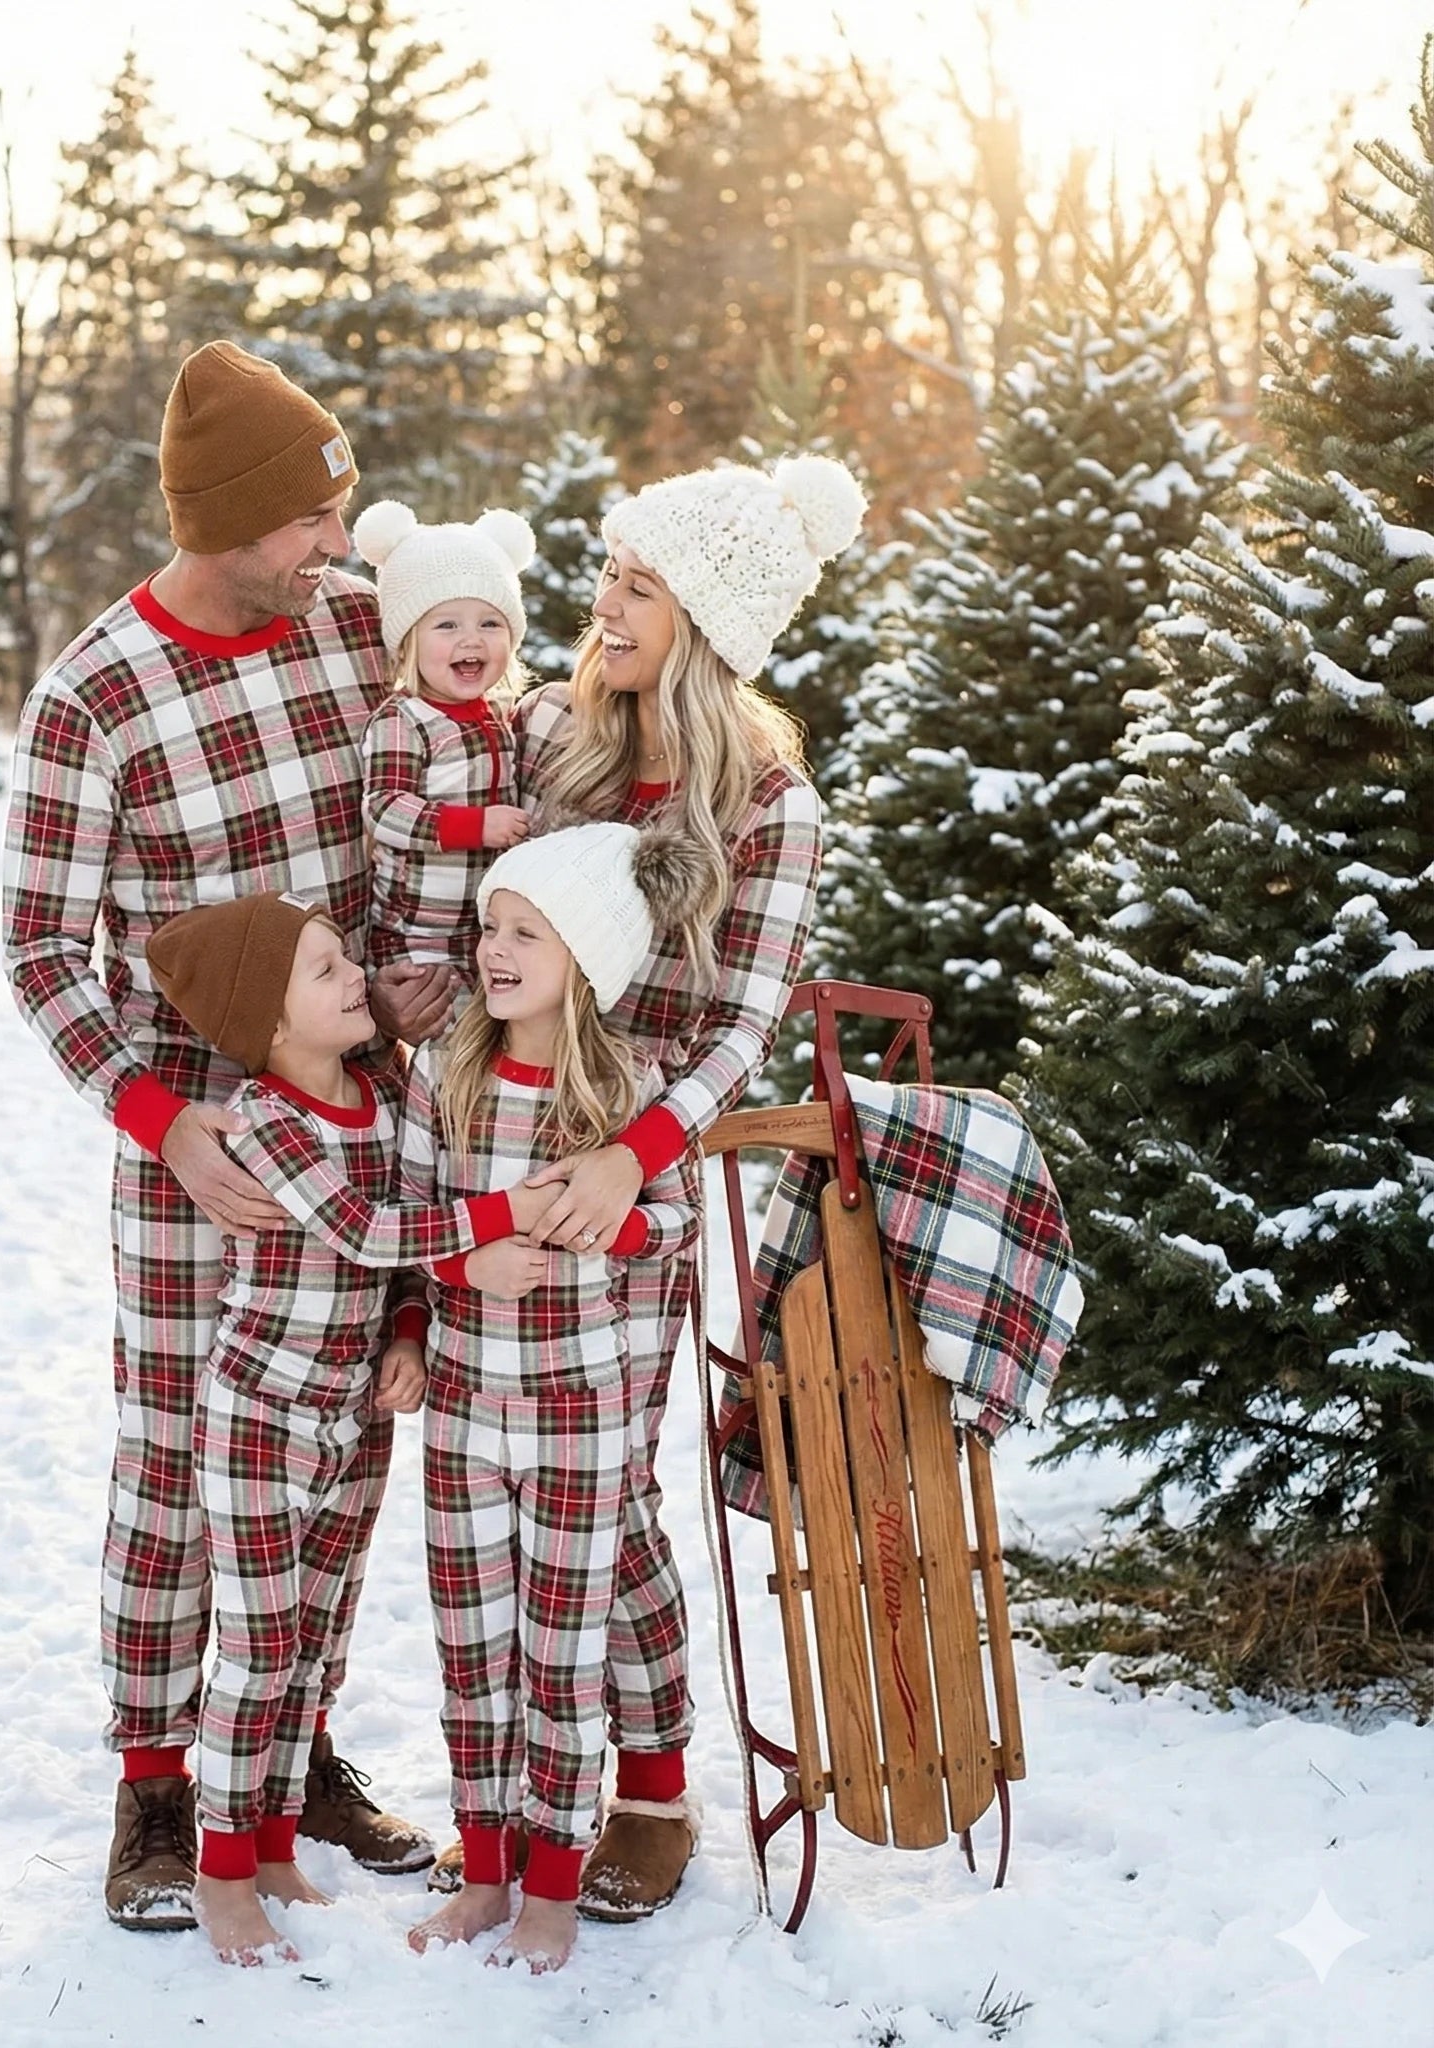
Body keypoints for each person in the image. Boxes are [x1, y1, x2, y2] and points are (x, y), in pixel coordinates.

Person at [3, 341, 454, 1933]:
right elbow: (44, 951)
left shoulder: (347, 633)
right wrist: (163, 1119)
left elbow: (454, 751)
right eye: (311, 521)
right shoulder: (96, 697)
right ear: (231, 518)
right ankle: (155, 1788)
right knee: (182, 1461)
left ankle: (293, 1748)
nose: (339, 547)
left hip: (363, 1137)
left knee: (344, 1444)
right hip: (201, 1159)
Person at [505, 455, 860, 1920]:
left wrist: (631, 1155)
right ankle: (513, 1780)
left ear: (706, 626)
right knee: (505, 1477)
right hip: (499, 1138)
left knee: (603, 1483)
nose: (604, 607)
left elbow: (740, 1032)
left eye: (639, 588)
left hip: (630, 1175)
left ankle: (648, 1787)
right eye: (607, 575)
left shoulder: (768, 805)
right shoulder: (550, 738)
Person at [142, 892, 563, 1964]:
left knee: (315, 1643)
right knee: (258, 1643)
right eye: (326, 969)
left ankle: (276, 1840)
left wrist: (413, 1331)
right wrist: (502, 1220)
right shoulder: (265, 1118)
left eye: (342, 958)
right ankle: (223, 1868)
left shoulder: (390, 1090)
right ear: (269, 1023)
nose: (353, 979)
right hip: (261, 1412)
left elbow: (409, 1251)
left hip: (353, 1414)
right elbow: (371, 1228)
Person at [400, 822, 705, 1973]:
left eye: (524, 930)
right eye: (488, 925)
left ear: (585, 951)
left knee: (560, 1655)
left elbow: (672, 1223)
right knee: (473, 1649)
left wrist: (607, 1221)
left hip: (579, 1414)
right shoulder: (450, 1072)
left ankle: (550, 1887)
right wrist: (457, 1266)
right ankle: (483, 1869)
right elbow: (408, 1217)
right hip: (466, 1416)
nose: (493, 949)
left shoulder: (631, 1089)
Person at [353, 500, 538, 980]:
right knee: (443, 1045)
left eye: (490, 623)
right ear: (410, 640)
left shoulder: (499, 715)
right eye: (447, 624)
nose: (472, 639)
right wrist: (475, 826)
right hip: (417, 936)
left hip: (484, 934)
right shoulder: (404, 719)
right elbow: (385, 807)